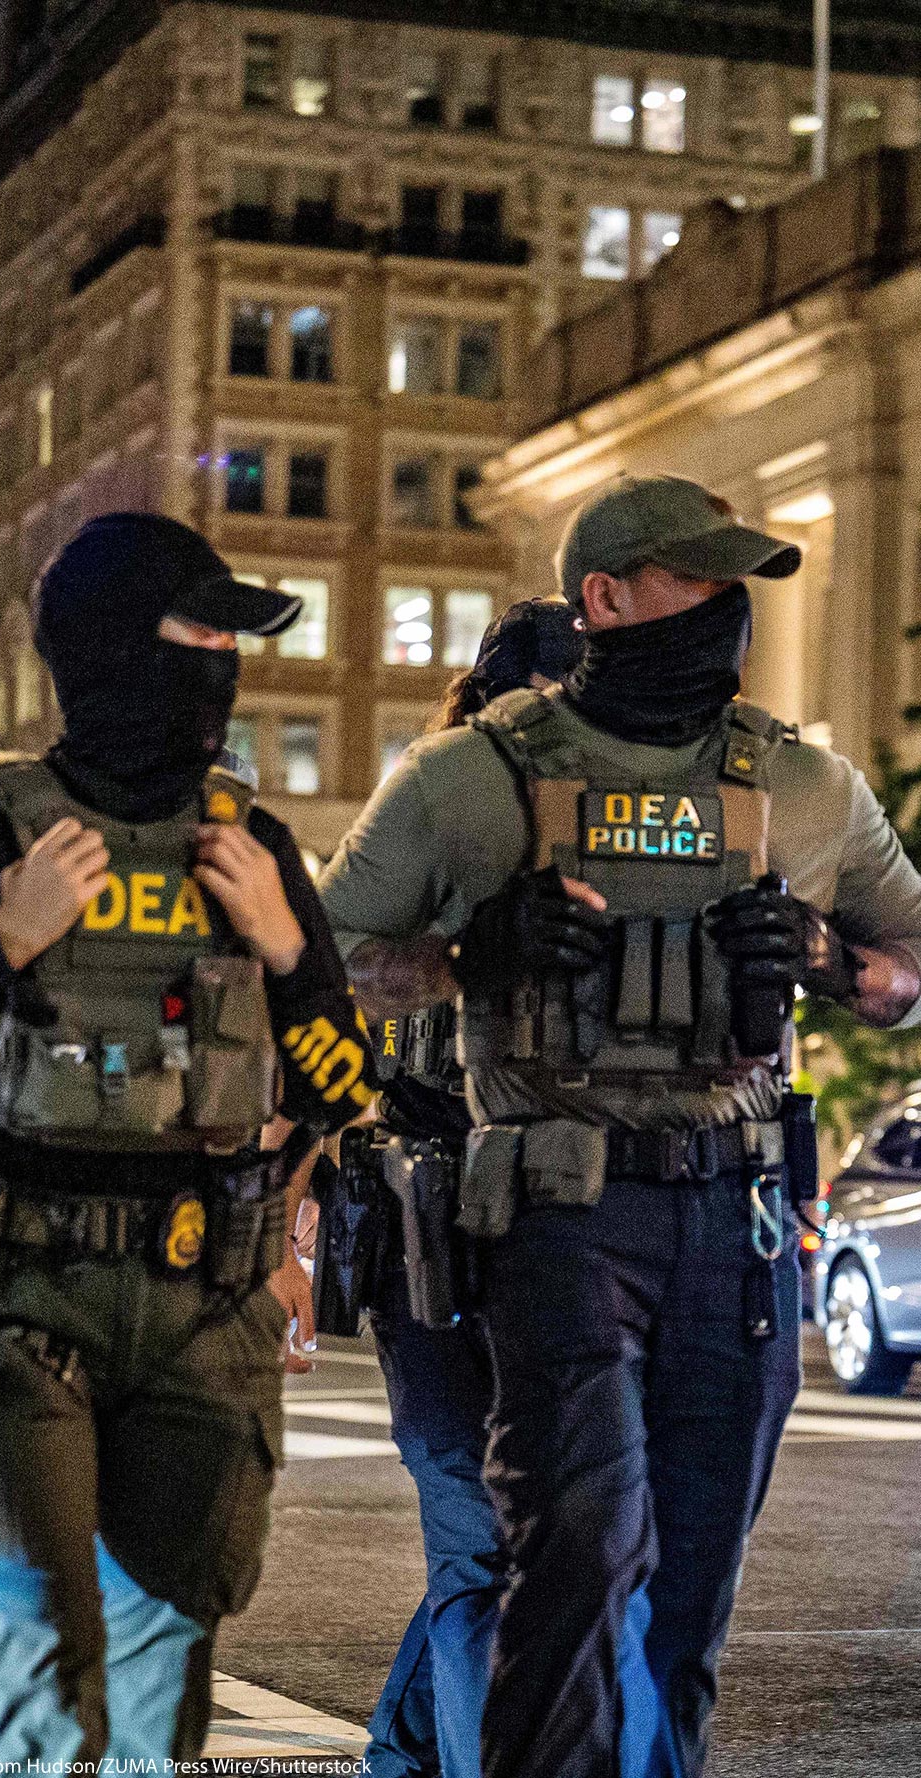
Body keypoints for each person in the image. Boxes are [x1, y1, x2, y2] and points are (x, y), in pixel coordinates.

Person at [319, 475, 921, 1778]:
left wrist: (829, 955)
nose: (730, 609)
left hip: (739, 1226)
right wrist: (470, 954)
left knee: (680, 1604)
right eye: (697, 580)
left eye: (737, 582)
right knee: (554, 1565)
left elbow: (908, 961)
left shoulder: (809, 788)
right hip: (545, 1214)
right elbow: (322, 957)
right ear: (603, 599)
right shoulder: (467, 783)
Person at [0, 512, 374, 1765]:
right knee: (29, 1672)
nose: (223, 659)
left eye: (234, 637)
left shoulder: (253, 847)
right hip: (14, 1299)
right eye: (201, 628)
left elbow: (344, 1087)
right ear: (116, 642)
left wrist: (287, 950)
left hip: (200, 1312)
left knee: (156, 1692)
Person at [360, 599, 602, 1778]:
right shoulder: (429, 817)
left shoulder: (604, 843)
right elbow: (333, 981)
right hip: (435, 1234)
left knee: (521, 1547)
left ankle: (408, 1753)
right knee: (483, 1543)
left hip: (563, 1233)